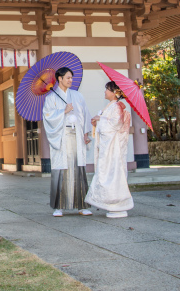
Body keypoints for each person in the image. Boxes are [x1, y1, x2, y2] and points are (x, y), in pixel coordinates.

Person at [42, 67, 92, 217]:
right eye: (68, 78)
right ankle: (59, 206)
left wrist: (85, 133)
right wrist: (62, 111)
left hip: (76, 135)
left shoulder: (77, 96)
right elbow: (47, 116)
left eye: (71, 78)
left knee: (78, 169)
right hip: (62, 136)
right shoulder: (51, 98)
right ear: (60, 79)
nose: (70, 80)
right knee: (60, 169)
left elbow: (85, 114)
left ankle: (82, 205)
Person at [85, 81, 134, 218]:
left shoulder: (117, 106)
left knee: (114, 174)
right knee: (109, 173)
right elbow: (108, 122)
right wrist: (98, 121)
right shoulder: (112, 106)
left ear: (115, 92)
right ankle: (112, 204)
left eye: (107, 89)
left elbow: (115, 124)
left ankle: (118, 204)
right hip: (110, 147)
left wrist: (100, 120)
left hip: (114, 148)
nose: (105, 91)